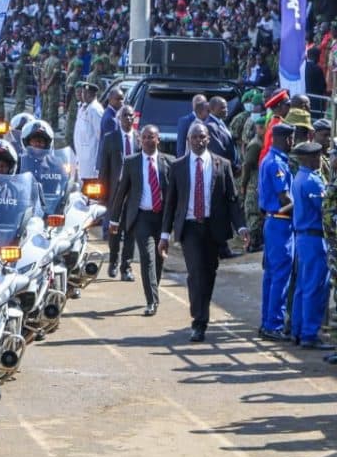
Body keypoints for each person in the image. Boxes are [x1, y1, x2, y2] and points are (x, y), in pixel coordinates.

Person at [158, 122, 248, 342]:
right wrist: (164, 235)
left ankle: (202, 312)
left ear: (208, 139)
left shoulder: (222, 165)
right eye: (195, 137)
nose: (199, 141)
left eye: (202, 137)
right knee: (196, 272)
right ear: (188, 140)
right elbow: (171, 203)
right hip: (190, 227)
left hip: (213, 227)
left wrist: (241, 226)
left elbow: (232, 199)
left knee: (209, 273)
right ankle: (199, 322)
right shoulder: (178, 166)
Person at [109, 125, 172, 315]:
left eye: (151, 137)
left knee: (159, 258)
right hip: (141, 216)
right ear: (139, 140)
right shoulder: (131, 162)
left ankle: (153, 288)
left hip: (162, 218)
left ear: (158, 139)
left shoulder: (169, 162)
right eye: (144, 137)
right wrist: (114, 219)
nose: (147, 140)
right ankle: (151, 300)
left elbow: (175, 193)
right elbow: (121, 192)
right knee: (147, 256)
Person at [289, 141, 333, 349]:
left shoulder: (300, 177)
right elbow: (325, 208)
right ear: (306, 159)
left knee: (303, 286)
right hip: (314, 238)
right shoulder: (312, 181)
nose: (319, 160)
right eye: (315, 157)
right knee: (315, 287)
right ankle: (309, 334)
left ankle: (298, 330)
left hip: (304, 237)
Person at [257, 123, 294, 341]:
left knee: (271, 276)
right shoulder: (277, 163)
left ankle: (267, 322)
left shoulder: (268, 159)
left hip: (273, 221)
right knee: (280, 276)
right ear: (285, 139)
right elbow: (284, 199)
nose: (292, 142)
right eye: (291, 138)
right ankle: (274, 325)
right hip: (281, 222)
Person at [98, 105, 139, 280]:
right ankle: (113, 261)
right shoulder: (111, 138)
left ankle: (126, 268)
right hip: (115, 193)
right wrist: (103, 195)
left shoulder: (139, 138)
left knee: (131, 231)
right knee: (114, 230)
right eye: (125, 116)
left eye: (131, 116)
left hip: (134, 193)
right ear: (119, 118)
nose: (128, 118)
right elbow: (104, 168)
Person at [240, 119, 268, 253]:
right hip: (253, 184)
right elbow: (247, 165)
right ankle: (252, 243)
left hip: (258, 184)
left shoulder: (262, 143)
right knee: (253, 214)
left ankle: (256, 241)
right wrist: (243, 184)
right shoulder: (256, 144)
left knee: (257, 214)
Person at [73, 82, 105, 180]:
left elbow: (101, 136)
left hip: (91, 157)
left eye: (87, 93)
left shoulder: (95, 109)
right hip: (81, 155)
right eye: (83, 92)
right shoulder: (83, 107)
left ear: (94, 94)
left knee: (89, 183)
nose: (84, 95)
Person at [258, 89, 291, 163]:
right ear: (280, 106)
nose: (290, 107)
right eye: (288, 105)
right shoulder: (278, 127)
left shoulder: (275, 122)